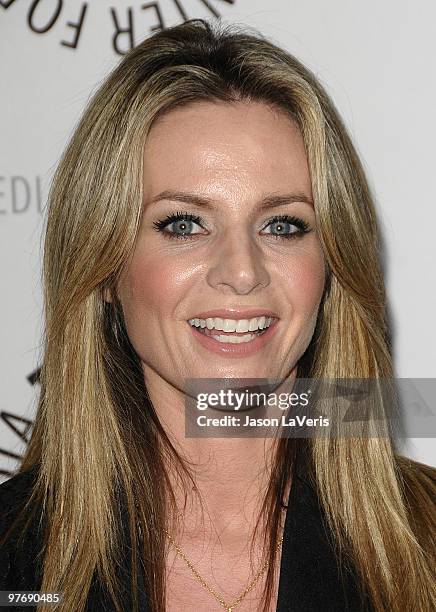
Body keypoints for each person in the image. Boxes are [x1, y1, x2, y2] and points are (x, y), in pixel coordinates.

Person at [0, 18, 435, 612]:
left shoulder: (427, 542)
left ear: (333, 262)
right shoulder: (14, 561)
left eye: (283, 225)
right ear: (104, 268)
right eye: (183, 224)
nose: (242, 270)